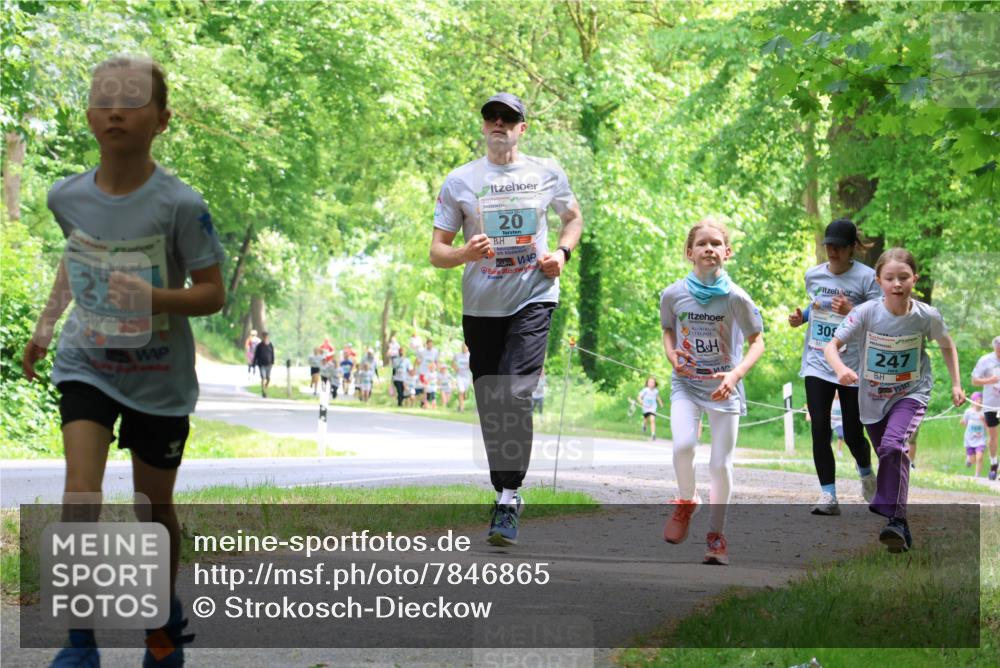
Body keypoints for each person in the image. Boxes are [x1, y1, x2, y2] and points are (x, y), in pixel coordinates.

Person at [20, 56, 224, 667]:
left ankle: (160, 621)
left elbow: (213, 293)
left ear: (161, 119)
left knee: (150, 507)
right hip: (89, 361)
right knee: (80, 491)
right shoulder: (67, 196)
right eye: (103, 98)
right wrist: (48, 323)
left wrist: (154, 297)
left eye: (131, 99)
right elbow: (75, 257)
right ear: (88, 115)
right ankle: (79, 640)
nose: (115, 108)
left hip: (159, 376)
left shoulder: (182, 205)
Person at [430, 92, 583, 546]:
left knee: (516, 390)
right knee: (492, 402)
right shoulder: (460, 181)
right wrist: (464, 252)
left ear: (522, 128)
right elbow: (437, 252)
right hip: (481, 304)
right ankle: (503, 486)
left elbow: (572, 219)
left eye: (509, 118)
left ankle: (510, 496)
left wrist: (562, 252)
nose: (499, 123)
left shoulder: (546, 171)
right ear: (483, 127)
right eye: (491, 117)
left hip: (533, 296)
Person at [825, 248, 965, 553]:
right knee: (890, 455)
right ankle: (899, 526)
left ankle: (895, 521)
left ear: (914, 278)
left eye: (904, 277)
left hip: (911, 393)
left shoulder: (926, 316)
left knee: (893, 446)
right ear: (878, 281)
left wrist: (956, 383)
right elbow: (831, 346)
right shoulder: (866, 313)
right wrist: (841, 369)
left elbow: (947, 345)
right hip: (873, 398)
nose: (897, 284)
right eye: (890, 278)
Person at [660, 218, 765, 566]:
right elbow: (667, 331)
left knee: (720, 465)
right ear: (689, 253)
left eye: (716, 243)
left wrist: (735, 375)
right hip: (687, 385)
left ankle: (716, 535)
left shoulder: (737, 298)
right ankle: (686, 500)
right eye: (702, 243)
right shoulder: (673, 294)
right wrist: (671, 353)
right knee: (683, 446)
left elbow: (757, 343)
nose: (709, 248)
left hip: (723, 389)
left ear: (727, 252)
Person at [788, 218, 881, 515]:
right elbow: (816, 306)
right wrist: (801, 317)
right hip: (817, 361)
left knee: (853, 433)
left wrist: (851, 311)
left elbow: (880, 319)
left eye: (839, 247)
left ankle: (866, 472)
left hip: (851, 365)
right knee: (819, 429)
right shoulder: (813, 275)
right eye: (829, 245)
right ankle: (828, 496)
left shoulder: (867, 279)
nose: (833, 252)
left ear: (852, 248)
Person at [971, 335, 1000, 480]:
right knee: (993, 435)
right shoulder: (985, 360)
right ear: (995, 348)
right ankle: (994, 464)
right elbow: (974, 380)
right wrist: (990, 380)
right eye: (999, 350)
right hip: (990, 404)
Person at [962, 392, 987, 477]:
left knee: (979, 457)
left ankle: (977, 475)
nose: (979, 402)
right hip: (970, 439)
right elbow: (965, 423)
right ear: (973, 402)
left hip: (980, 439)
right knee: (973, 460)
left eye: (981, 400)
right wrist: (962, 422)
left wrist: (983, 420)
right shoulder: (968, 412)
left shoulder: (984, 412)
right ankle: (969, 459)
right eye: (977, 400)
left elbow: (988, 427)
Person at [637, 376, 663, 440]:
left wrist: (660, 403)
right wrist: (641, 402)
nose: (651, 383)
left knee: (652, 420)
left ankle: (653, 434)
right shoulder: (645, 390)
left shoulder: (656, 391)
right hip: (646, 408)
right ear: (647, 383)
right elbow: (639, 397)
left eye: (653, 382)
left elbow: (658, 397)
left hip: (652, 408)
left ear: (655, 384)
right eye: (650, 382)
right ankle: (644, 425)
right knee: (646, 419)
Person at [252, 332, 275, 398]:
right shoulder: (259, 346)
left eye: (266, 336)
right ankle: (263, 392)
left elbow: (272, 354)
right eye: (264, 336)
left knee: (268, 378)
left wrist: (273, 362)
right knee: (263, 377)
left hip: (269, 364)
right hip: (261, 364)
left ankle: (266, 387)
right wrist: (254, 363)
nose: (265, 338)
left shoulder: (270, 345)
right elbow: (256, 355)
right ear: (263, 337)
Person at [454, 342, 473, 412]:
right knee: (461, 391)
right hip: (460, 376)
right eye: (463, 347)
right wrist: (455, 368)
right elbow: (453, 362)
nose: (464, 348)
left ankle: (460, 405)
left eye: (465, 347)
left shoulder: (470, 355)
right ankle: (462, 408)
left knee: (464, 393)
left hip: (467, 376)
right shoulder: (457, 355)